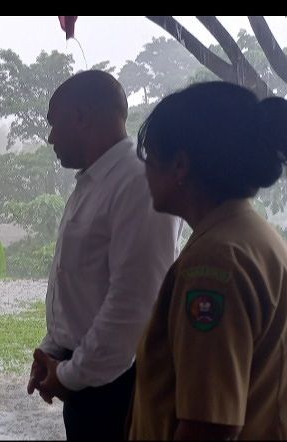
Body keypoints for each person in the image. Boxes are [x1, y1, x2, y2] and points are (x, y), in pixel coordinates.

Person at [26, 70, 180, 440]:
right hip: (86, 378)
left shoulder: (137, 181)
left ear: (81, 116)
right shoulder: (94, 181)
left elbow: (132, 304)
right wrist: (51, 352)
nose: (50, 137)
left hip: (117, 387)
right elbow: (78, 282)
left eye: (53, 123)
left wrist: (69, 375)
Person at [129, 81, 287, 440]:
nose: (146, 174)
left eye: (150, 160)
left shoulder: (214, 266)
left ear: (180, 165)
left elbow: (209, 426)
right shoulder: (253, 236)